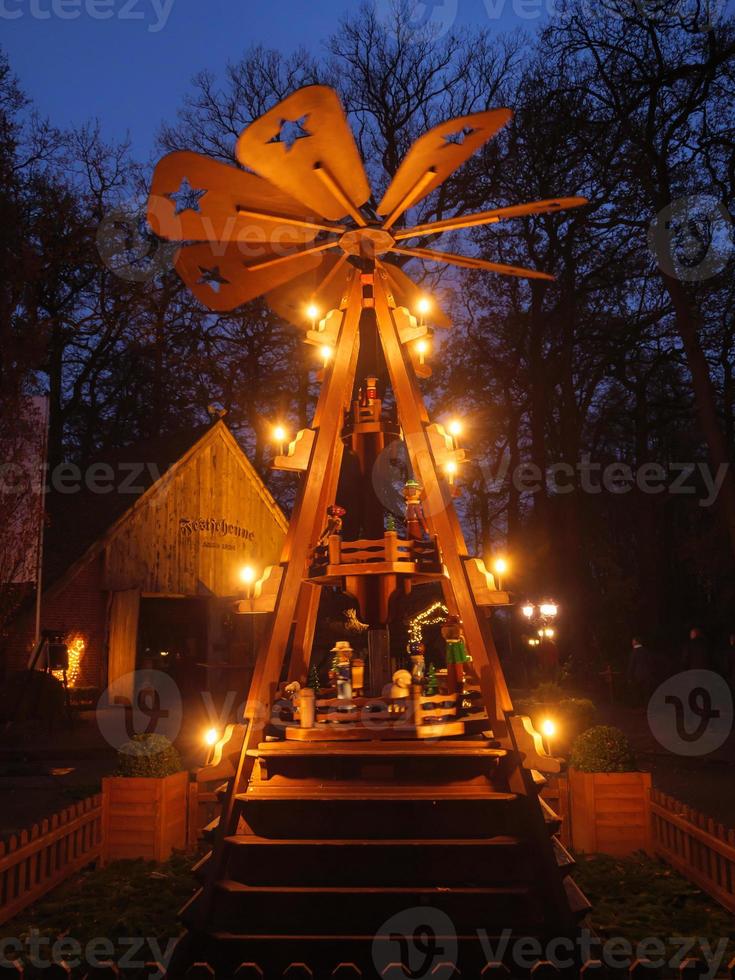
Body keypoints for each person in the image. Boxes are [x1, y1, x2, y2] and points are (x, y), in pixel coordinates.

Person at [626, 636, 659, 705]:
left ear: (636, 642)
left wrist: (629, 676)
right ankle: (647, 707)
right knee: (647, 693)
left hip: (638, 676)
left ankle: (640, 707)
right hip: (648, 675)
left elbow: (631, 665)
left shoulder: (634, 652)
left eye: (633, 641)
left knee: (638, 692)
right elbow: (651, 663)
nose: (632, 642)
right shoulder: (646, 651)